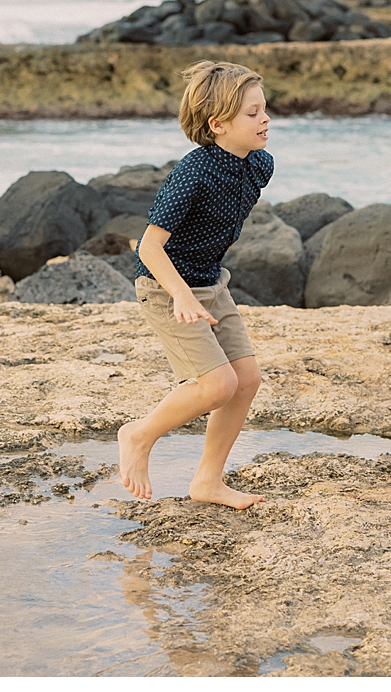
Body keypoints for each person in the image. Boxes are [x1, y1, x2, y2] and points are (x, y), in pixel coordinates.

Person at [118, 61, 271, 510]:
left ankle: (207, 480)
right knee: (216, 384)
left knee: (246, 379)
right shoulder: (192, 173)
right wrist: (182, 293)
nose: (265, 120)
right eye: (252, 113)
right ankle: (138, 434)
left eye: (265, 109)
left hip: (210, 284)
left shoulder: (259, 166)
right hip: (166, 289)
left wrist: (201, 287)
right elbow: (148, 247)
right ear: (218, 125)